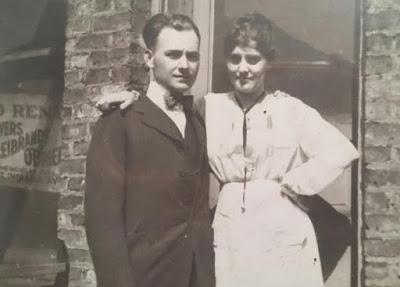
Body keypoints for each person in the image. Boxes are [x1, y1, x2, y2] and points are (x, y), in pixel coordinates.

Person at [98, 13, 359, 287]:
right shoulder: (209, 107)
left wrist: (296, 183)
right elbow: (165, 108)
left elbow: (341, 150)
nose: (243, 68)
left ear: (268, 62)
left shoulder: (290, 109)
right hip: (230, 229)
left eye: (253, 59)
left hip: (282, 229)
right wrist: (134, 96)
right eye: (235, 59)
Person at [85, 13, 215, 287]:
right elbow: (102, 222)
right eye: (173, 54)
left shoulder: (197, 121)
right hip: (145, 276)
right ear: (148, 58)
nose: (184, 65)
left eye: (192, 56)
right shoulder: (119, 121)